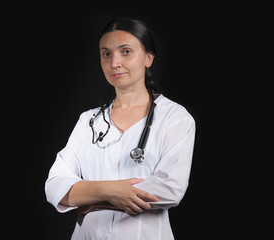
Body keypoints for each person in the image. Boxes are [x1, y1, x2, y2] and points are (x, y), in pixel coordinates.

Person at [45, 18, 196, 239]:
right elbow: (54, 185)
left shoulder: (175, 118)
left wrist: (87, 197)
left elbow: (170, 189)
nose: (114, 62)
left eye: (126, 52)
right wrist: (109, 191)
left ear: (148, 58)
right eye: (106, 54)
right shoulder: (89, 121)